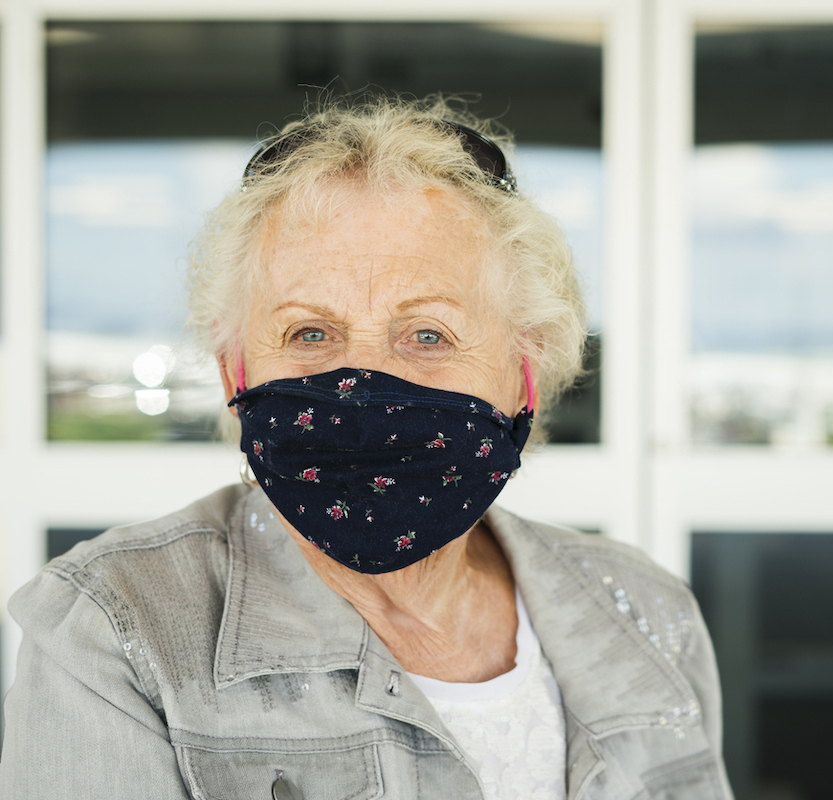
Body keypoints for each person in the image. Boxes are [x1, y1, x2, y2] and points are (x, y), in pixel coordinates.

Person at [0, 96, 733, 800]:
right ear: (236, 370)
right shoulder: (112, 631)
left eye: (428, 335)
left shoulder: (645, 609)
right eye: (310, 334)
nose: (365, 388)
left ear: (524, 374)